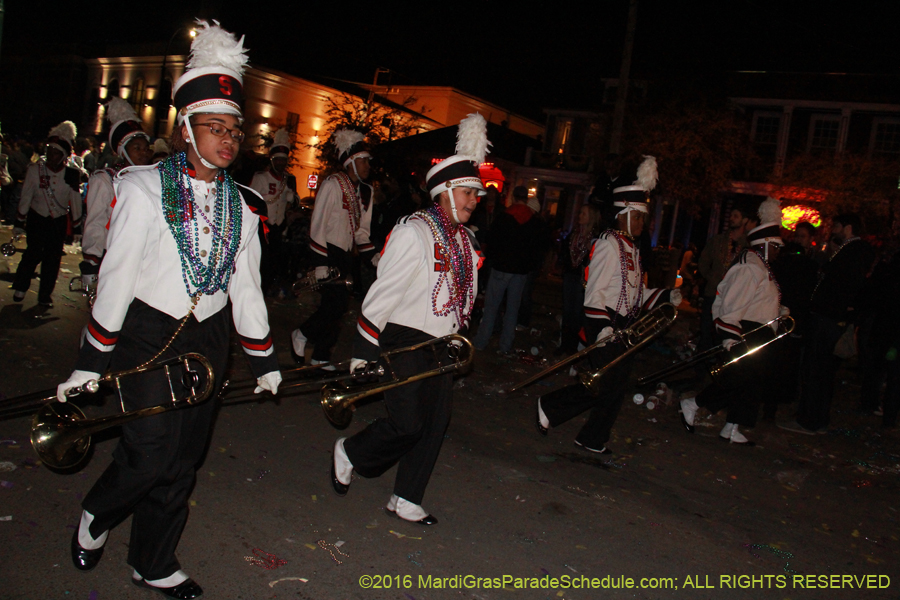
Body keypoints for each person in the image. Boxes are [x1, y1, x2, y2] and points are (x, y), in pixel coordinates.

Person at [57, 21, 281, 599]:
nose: (228, 139)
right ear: (186, 129)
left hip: (209, 340)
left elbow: (246, 288)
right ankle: (97, 512)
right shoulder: (142, 188)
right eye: (215, 127)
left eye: (234, 129)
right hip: (147, 334)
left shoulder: (245, 206)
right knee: (149, 452)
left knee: (183, 458)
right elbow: (117, 280)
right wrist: (90, 361)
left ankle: (152, 561)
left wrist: (263, 359)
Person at [331, 114, 486, 525]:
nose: (474, 200)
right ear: (445, 192)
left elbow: (464, 295)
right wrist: (363, 350)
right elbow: (381, 295)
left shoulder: (465, 241)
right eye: (468, 192)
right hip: (403, 338)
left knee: (435, 423)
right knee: (407, 423)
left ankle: (406, 497)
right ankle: (351, 452)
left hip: (442, 343)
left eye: (476, 194)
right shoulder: (413, 232)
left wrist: (457, 334)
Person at [536, 156, 681, 453]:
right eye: (637, 217)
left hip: (624, 325)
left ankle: (591, 437)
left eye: (642, 218)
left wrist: (666, 296)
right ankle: (553, 407)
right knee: (606, 383)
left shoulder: (632, 249)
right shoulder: (607, 244)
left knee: (615, 385)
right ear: (622, 214)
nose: (641, 223)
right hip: (603, 321)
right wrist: (602, 328)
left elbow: (635, 294)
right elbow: (595, 293)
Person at [679, 198, 785, 445]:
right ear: (764, 245)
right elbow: (732, 302)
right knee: (735, 379)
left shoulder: (762, 267)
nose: (778, 251)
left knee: (750, 384)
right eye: (775, 246)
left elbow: (757, 299)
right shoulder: (751, 266)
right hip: (744, 330)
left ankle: (732, 426)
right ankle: (693, 403)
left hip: (759, 331)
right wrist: (729, 336)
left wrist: (778, 311)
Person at [780, 212, 876, 435]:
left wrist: (833, 308)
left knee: (817, 369)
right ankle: (816, 418)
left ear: (848, 228)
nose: (833, 231)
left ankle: (809, 419)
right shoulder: (852, 251)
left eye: (836, 227)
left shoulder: (853, 252)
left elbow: (843, 285)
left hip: (828, 318)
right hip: (830, 316)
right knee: (822, 371)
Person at [291, 129, 375, 367]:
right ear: (351, 162)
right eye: (363, 160)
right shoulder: (332, 184)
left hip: (346, 255)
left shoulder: (366, 192)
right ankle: (302, 334)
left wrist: (374, 256)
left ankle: (320, 356)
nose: (368, 165)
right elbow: (317, 224)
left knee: (338, 308)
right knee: (335, 305)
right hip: (328, 252)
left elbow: (361, 232)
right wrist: (320, 264)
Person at [80, 97, 154, 296]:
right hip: (112, 257)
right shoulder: (105, 180)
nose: (144, 153)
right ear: (123, 151)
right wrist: (91, 261)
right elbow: (96, 222)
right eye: (137, 148)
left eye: (146, 148)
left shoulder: (154, 180)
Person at [11, 120, 83, 308]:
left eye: (56, 153)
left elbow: (75, 201)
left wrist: (77, 227)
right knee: (32, 254)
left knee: (53, 260)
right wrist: (19, 221)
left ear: (64, 155)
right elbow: (26, 196)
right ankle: (21, 286)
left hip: (58, 221)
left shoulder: (72, 174)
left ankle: (45, 295)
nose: (51, 156)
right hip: (37, 218)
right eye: (49, 151)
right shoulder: (35, 170)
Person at [472, 185, 543, 354]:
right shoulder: (532, 220)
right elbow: (536, 247)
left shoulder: (504, 217)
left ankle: (481, 341)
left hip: (501, 267)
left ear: (513, 197)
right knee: (512, 309)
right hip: (520, 271)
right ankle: (505, 345)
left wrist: (493, 260)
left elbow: (491, 240)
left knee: (491, 307)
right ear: (526, 198)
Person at [696, 200, 755, 351]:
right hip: (713, 293)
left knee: (724, 336)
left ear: (744, 220)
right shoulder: (717, 241)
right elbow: (703, 262)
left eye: (736, 216)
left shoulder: (748, 246)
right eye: (731, 215)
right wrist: (712, 277)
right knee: (706, 333)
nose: (731, 219)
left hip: (734, 299)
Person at [250, 128, 298, 295]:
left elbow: (295, 203)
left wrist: (293, 197)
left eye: (283, 160)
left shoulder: (288, 180)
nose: (281, 163)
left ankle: (268, 289)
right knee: (260, 261)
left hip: (278, 227)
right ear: (272, 160)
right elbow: (251, 201)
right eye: (278, 160)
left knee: (274, 262)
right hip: (262, 226)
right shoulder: (261, 177)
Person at [559, 203, 602, 354]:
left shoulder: (595, 238)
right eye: (580, 213)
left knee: (577, 312)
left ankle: (572, 347)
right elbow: (565, 252)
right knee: (567, 311)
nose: (580, 216)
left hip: (582, 278)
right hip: (570, 274)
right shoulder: (575, 234)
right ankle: (564, 344)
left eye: (584, 214)